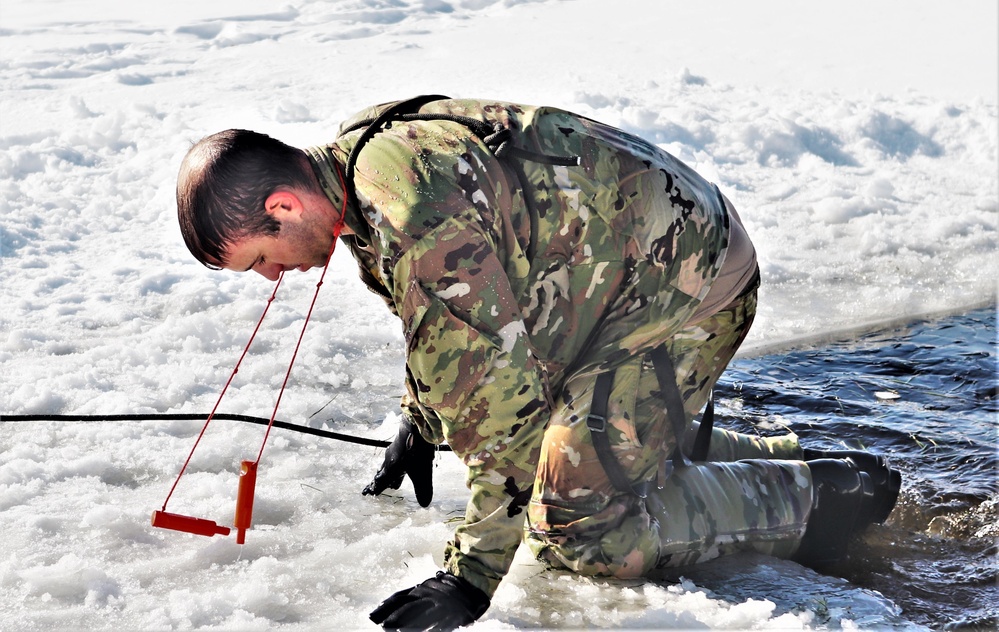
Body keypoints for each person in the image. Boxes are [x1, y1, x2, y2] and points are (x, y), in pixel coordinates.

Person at [176, 96, 901, 630]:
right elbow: (448, 325)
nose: (272, 277)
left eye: (260, 260)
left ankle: (819, 494)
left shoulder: (412, 217)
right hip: (610, 279)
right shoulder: (364, 163)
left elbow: (501, 416)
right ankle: (726, 449)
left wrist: (469, 579)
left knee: (576, 528)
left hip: (681, 292)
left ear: (282, 205)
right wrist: (423, 420)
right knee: (555, 446)